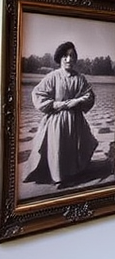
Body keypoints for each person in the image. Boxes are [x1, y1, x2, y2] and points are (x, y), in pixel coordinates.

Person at [22, 42, 99, 189]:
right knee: (57, 149)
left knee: (75, 148)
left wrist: (78, 101)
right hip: (57, 120)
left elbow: (89, 95)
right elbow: (38, 95)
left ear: (75, 58)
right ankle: (58, 177)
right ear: (60, 58)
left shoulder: (80, 78)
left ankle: (73, 173)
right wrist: (59, 105)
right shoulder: (53, 77)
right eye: (65, 56)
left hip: (76, 121)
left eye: (72, 56)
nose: (69, 59)